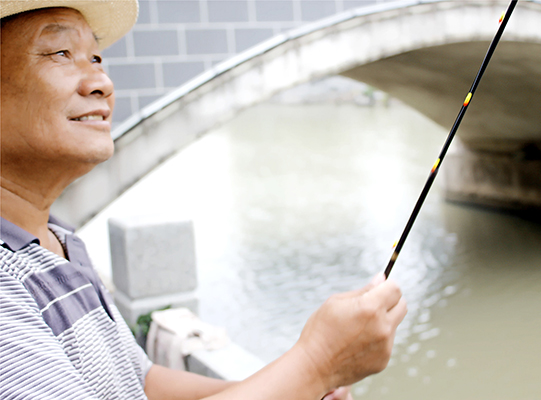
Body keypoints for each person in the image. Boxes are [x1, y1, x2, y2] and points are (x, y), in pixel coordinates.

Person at [0, 1, 408, 399]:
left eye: (96, 57)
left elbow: (142, 383)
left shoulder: (60, 241)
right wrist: (316, 363)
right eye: (60, 53)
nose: (101, 82)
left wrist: (297, 383)